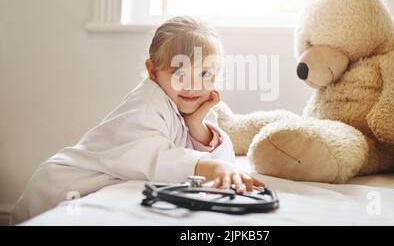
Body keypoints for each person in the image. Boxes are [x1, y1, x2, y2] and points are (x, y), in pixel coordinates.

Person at [11, 16, 264, 224]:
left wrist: (197, 126)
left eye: (204, 73)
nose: (192, 84)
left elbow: (223, 160)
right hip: (62, 187)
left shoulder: (193, 105)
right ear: (154, 71)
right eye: (179, 72)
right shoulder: (145, 106)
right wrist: (206, 167)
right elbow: (152, 155)